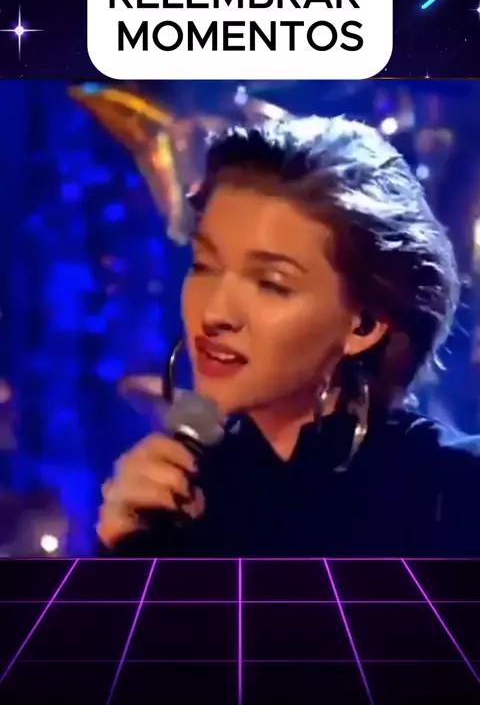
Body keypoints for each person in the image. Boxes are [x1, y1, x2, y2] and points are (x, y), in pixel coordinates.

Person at [97, 115, 480, 557]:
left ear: (365, 324)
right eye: (204, 265)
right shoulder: (175, 499)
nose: (215, 313)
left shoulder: (456, 492)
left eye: (272, 284)